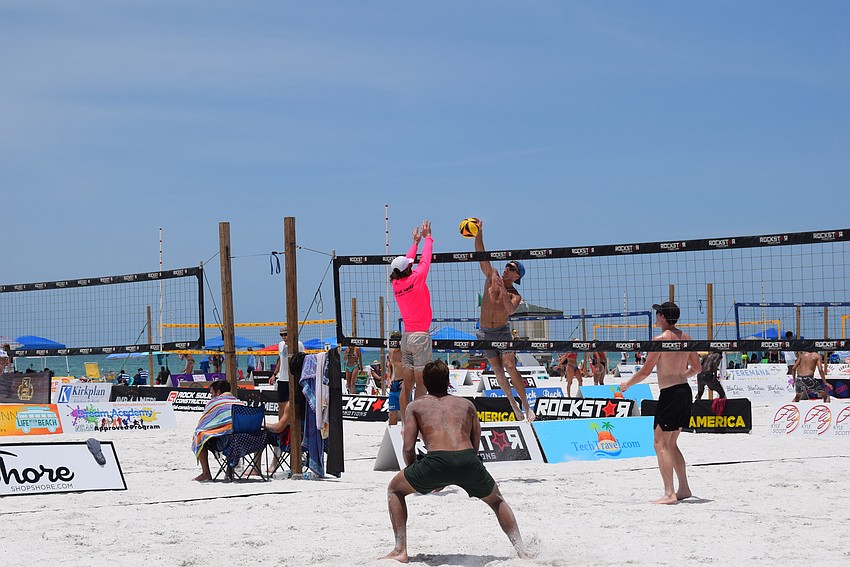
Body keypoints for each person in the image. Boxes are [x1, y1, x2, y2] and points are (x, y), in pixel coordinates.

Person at [383, 359, 529, 562]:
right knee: (497, 501)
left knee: (395, 489)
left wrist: (417, 474)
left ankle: (400, 549)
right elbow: (475, 444)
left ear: (424, 382)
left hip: (435, 462)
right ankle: (522, 550)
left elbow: (408, 447)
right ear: (448, 380)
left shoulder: (415, 406)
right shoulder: (466, 405)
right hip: (468, 459)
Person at [620, 301, 700, 505]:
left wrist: (626, 385)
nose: (656, 317)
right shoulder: (687, 338)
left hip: (671, 394)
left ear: (663, 317)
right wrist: (682, 375)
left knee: (660, 444)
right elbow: (697, 369)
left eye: (658, 314)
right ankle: (684, 488)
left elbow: (645, 371)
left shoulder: (659, 340)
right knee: (672, 444)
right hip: (684, 391)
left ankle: (669, 493)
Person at [473, 219, 534, 421]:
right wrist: (478, 233)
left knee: (509, 366)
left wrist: (503, 288)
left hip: (502, 330)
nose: (507, 268)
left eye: (512, 268)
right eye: (507, 265)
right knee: (497, 370)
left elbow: (509, 310)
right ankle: (513, 404)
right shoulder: (492, 275)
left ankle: (526, 404)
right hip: (484, 331)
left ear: (517, 276)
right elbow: (481, 255)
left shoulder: (515, 295)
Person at [390, 220, 434, 418]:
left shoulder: (397, 284)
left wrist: (414, 243)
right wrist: (428, 239)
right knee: (421, 385)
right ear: (408, 269)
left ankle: (405, 423)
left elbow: (407, 262)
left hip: (406, 337)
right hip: (419, 337)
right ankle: (417, 422)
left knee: (406, 386)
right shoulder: (416, 278)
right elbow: (425, 259)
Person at [191, 380, 245, 481]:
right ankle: (229, 472)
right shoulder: (239, 403)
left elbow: (204, 425)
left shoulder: (214, 403)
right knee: (231, 431)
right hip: (244, 441)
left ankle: (206, 473)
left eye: (212, 394)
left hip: (225, 442)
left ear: (218, 392)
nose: (211, 397)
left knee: (200, 435)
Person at [269, 328, 305, 423]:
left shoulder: (299, 344)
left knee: (293, 405)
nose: (284, 337)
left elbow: (303, 360)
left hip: (294, 379)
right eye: (282, 335)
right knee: (281, 405)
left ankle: (293, 425)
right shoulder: (281, 345)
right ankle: (281, 425)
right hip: (282, 379)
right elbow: (280, 360)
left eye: (285, 334)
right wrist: (274, 374)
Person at [387, 331, 404, 426]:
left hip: (404, 384)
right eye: (393, 339)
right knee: (392, 414)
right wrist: (388, 379)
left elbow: (411, 368)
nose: (395, 342)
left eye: (397, 339)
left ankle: (407, 437)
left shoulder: (405, 352)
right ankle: (392, 435)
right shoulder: (391, 352)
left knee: (405, 413)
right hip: (394, 384)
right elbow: (390, 366)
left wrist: (407, 381)